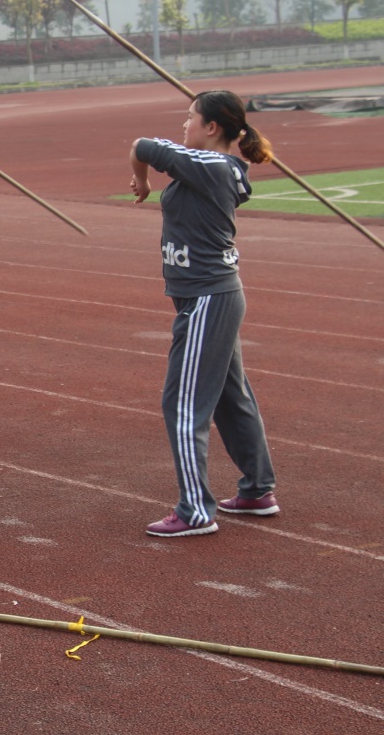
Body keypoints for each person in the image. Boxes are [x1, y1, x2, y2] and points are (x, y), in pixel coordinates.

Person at [130, 89, 279, 538]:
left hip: (207, 300)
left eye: (190, 117)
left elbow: (141, 145)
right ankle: (256, 490)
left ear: (212, 127)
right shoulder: (216, 167)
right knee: (231, 397)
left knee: (182, 403)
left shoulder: (211, 166)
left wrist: (141, 180)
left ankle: (195, 509)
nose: (184, 124)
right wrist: (143, 180)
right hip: (211, 295)